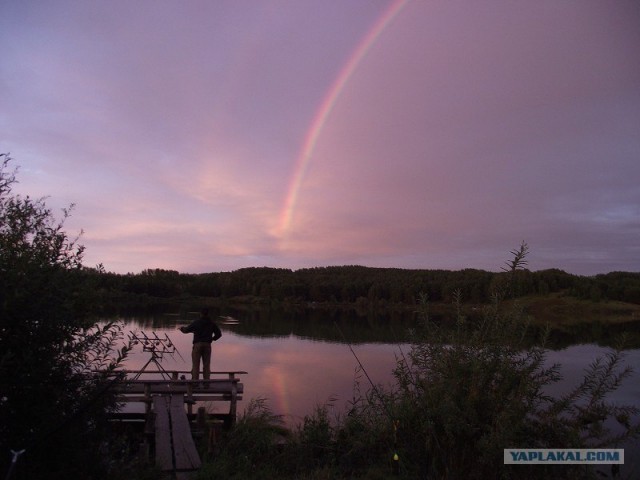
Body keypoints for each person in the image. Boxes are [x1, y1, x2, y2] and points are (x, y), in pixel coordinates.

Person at [178, 308, 222, 380]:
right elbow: (219, 334)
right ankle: (206, 384)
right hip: (207, 345)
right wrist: (212, 339)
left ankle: (195, 383)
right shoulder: (212, 323)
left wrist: (181, 328)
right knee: (206, 365)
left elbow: (186, 330)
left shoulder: (196, 322)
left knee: (196, 365)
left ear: (200, 314)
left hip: (197, 345)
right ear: (208, 314)